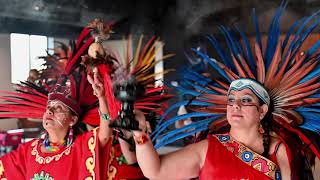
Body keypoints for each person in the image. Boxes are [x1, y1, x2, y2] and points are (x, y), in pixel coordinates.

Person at [133, 3, 320, 180]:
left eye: (246, 100)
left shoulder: (279, 149)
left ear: (262, 111)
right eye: (231, 101)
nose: (235, 105)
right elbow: (155, 171)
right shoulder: (207, 149)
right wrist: (139, 134)